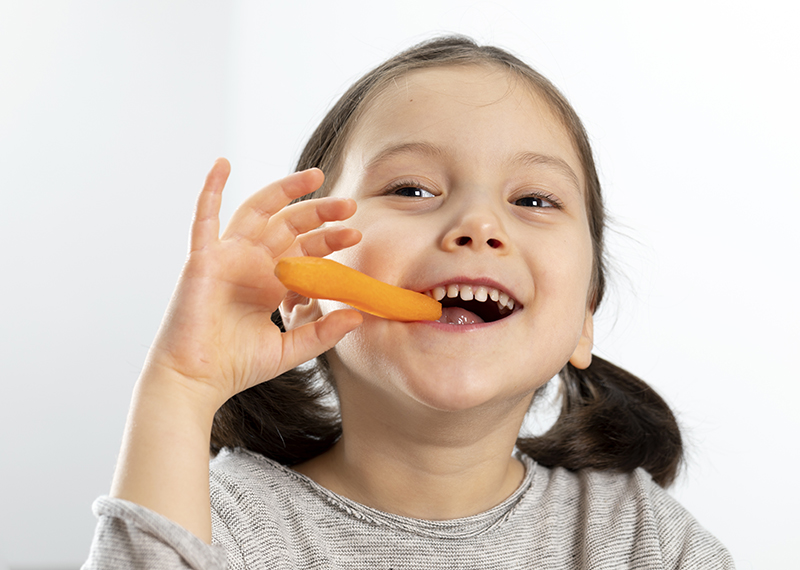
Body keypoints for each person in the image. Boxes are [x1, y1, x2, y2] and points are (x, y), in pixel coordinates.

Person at [83, 36, 734, 569]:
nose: (478, 224)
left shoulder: (638, 537)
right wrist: (181, 385)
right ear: (306, 290)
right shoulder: (220, 523)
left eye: (534, 200)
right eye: (412, 189)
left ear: (582, 323)